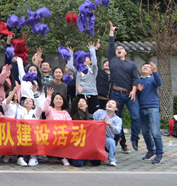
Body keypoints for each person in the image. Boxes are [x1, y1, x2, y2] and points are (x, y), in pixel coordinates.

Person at [108, 21, 140, 152]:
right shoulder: (112, 60)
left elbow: (135, 78)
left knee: (136, 117)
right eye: (117, 49)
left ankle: (135, 138)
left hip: (129, 94)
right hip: (116, 94)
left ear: (125, 52)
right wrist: (111, 31)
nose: (118, 50)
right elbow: (111, 45)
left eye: (121, 49)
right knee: (117, 118)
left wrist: (133, 91)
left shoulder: (131, 64)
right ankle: (117, 140)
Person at [137, 62, 164, 164]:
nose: (145, 68)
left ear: (151, 71)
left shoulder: (152, 79)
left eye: (148, 67)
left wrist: (155, 72)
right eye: (143, 66)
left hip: (153, 108)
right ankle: (150, 150)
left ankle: (159, 153)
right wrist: (138, 90)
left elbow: (159, 83)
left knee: (155, 132)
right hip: (141, 108)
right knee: (145, 132)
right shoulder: (138, 81)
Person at [67, 41, 101, 113]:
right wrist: (70, 53)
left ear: (90, 61)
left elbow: (95, 63)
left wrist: (92, 49)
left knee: (93, 114)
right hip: (80, 94)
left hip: (92, 94)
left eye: (86, 57)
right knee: (78, 114)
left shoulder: (93, 69)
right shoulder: (78, 69)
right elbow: (70, 67)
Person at [44, 86, 72, 167]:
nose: (58, 101)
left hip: (62, 135)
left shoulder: (65, 113)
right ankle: (51, 155)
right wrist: (49, 96)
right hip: (50, 134)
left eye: (60, 99)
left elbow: (69, 124)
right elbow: (45, 108)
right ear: (53, 101)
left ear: (63, 101)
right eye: (56, 98)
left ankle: (63, 157)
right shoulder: (50, 110)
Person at [93, 100, 123, 167]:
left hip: (107, 138)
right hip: (95, 136)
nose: (110, 104)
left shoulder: (118, 119)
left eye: (112, 103)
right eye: (108, 103)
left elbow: (118, 131)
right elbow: (92, 120)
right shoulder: (99, 112)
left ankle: (112, 159)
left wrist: (111, 126)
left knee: (111, 142)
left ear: (116, 108)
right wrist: (100, 122)